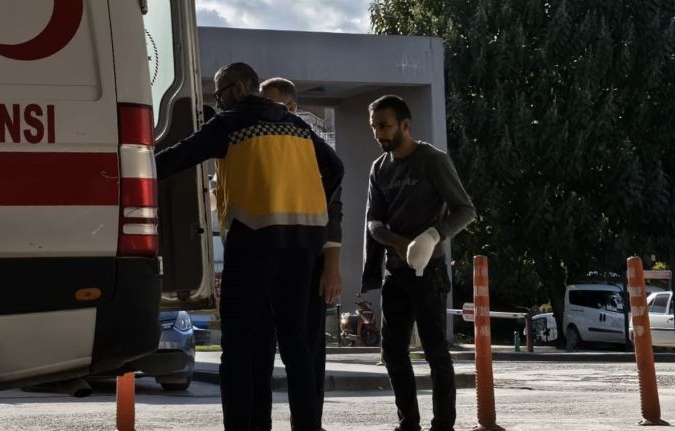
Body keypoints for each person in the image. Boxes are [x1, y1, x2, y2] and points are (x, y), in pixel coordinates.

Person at [156, 62, 344, 431]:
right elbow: (335, 167)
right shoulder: (298, 125)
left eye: (220, 93)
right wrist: (311, 206)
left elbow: (180, 155)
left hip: (253, 243)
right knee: (296, 346)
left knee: (239, 348)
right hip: (301, 248)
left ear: (240, 88)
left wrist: (134, 168)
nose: (219, 102)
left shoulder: (232, 123)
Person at [361, 95, 475, 431]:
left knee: (435, 352)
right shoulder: (379, 168)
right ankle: (408, 423)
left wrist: (432, 235)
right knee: (393, 353)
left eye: (384, 126)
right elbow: (373, 221)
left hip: (430, 272)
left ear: (405, 125)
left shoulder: (432, 160)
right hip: (395, 272)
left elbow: (465, 210)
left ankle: (443, 425)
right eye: (374, 127)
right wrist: (396, 241)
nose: (378, 133)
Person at [252, 77, 343, 431]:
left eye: (270, 103)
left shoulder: (314, 149)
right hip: (265, 260)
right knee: (261, 349)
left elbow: (334, 211)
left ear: (290, 107)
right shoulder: (260, 144)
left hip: (308, 263)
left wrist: (331, 268)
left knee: (307, 350)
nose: (263, 111)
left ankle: (308, 424)